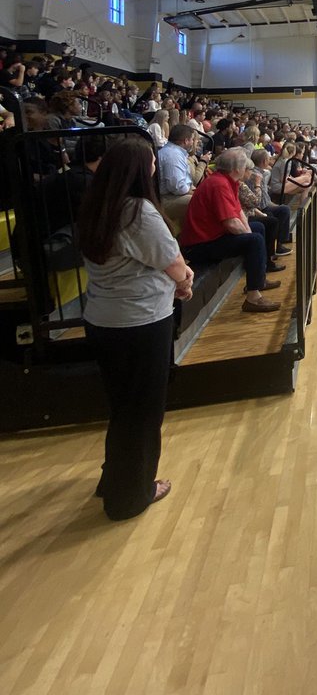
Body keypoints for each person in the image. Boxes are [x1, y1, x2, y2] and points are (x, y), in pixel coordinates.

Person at [77, 138, 193, 520]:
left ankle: (114, 480)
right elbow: (172, 262)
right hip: (140, 321)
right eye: (152, 165)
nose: (156, 170)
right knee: (143, 412)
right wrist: (185, 281)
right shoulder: (138, 211)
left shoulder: (96, 206)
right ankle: (131, 495)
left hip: (104, 320)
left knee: (124, 407)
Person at [180, 147, 281, 314]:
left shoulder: (228, 181)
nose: (248, 168)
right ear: (237, 169)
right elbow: (231, 223)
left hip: (212, 236)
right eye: (245, 166)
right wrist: (250, 236)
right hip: (199, 245)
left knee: (259, 227)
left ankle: (259, 279)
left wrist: (249, 232)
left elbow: (238, 213)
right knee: (254, 239)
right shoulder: (219, 184)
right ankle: (253, 298)